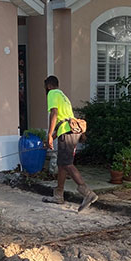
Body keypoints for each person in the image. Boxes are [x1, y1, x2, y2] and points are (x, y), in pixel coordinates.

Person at [42, 75, 97, 212]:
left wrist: (49, 135)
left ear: (48, 86)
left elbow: (54, 114)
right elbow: (63, 121)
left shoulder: (52, 93)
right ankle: (58, 195)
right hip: (71, 131)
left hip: (67, 133)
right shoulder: (63, 96)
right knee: (62, 164)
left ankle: (87, 193)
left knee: (67, 163)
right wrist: (52, 137)